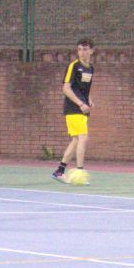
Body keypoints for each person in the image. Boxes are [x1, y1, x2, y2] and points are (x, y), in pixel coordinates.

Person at [52, 38, 94, 183]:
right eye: (79, 49)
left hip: (83, 108)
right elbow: (66, 88)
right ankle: (80, 172)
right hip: (73, 108)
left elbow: (84, 88)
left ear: (91, 51)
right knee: (83, 137)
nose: (82, 52)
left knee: (76, 140)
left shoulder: (90, 68)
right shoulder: (74, 66)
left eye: (85, 49)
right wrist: (80, 103)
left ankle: (59, 171)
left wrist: (89, 99)